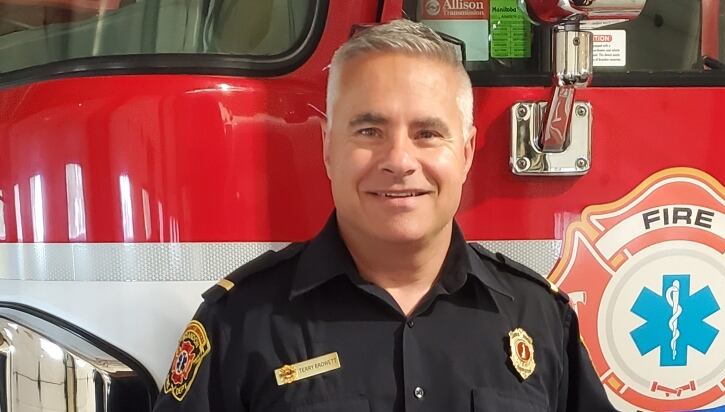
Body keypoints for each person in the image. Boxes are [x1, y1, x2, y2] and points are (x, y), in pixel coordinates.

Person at [152, 19, 616, 411]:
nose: (399, 160)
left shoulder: (541, 319)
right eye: (370, 130)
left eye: (428, 133)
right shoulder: (240, 322)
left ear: (467, 151)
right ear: (328, 149)